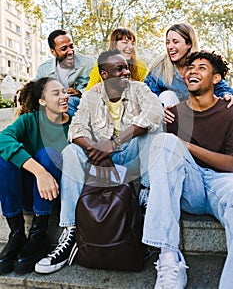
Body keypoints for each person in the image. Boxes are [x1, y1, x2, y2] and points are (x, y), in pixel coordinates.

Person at [35, 49, 164, 274]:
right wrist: (95, 149)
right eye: (119, 69)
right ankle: (71, 230)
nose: (126, 73)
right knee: (72, 152)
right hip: (100, 157)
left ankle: (146, 194)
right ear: (104, 74)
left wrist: (113, 144)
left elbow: (155, 113)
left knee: (155, 134)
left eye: (126, 67)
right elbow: (75, 129)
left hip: (130, 155)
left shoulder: (139, 88)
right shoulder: (92, 95)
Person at [142, 51, 233, 288]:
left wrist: (188, 146)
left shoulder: (229, 110)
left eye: (201, 67)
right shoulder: (174, 114)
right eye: (190, 67)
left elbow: (231, 163)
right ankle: (169, 256)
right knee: (163, 142)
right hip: (189, 187)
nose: (192, 70)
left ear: (216, 79)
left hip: (222, 183)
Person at [0, 77, 71, 275]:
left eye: (64, 92)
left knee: (49, 154)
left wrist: (47, 172)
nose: (64, 96)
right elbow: (1, 140)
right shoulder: (29, 120)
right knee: (4, 157)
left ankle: (38, 233)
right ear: (42, 101)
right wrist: (40, 172)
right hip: (24, 192)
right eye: (56, 93)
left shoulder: (74, 125)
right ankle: (16, 233)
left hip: (52, 197)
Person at [145, 22, 233, 108]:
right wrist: (162, 109)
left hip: (199, 113)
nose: (170, 47)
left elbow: (220, 87)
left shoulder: (201, 64)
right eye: (168, 42)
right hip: (172, 117)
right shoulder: (159, 69)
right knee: (167, 95)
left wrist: (227, 95)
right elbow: (147, 96)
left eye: (175, 42)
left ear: (189, 44)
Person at [34, 29, 94, 116]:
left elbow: (100, 86)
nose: (70, 51)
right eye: (64, 48)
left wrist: (80, 92)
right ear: (53, 52)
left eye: (71, 46)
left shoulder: (88, 64)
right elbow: (34, 89)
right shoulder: (44, 69)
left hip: (79, 105)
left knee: (70, 102)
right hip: (53, 107)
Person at [85, 27, 147, 91]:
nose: (131, 47)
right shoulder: (101, 65)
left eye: (133, 43)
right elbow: (87, 93)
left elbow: (146, 93)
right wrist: (95, 88)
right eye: (125, 43)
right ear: (114, 45)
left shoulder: (140, 66)